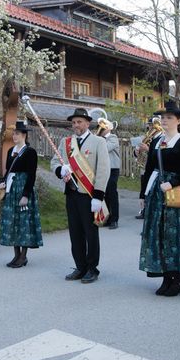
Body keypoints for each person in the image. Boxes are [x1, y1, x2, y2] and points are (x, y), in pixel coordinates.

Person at [139, 100, 180, 296]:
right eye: (162, 117)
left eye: (169, 118)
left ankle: (178, 279)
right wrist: (143, 194)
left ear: (178, 120)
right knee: (160, 234)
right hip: (158, 192)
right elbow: (149, 169)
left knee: (177, 235)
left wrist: (174, 182)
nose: (165, 120)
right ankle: (166, 277)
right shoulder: (157, 142)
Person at [51, 108, 110, 283]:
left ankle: (92, 268)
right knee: (75, 233)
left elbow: (103, 170)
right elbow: (55, 161)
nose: (76, 125)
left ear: (87, 123)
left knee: (90, 233)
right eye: (74, 122)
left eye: (80, 122)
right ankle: (80, 266)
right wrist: (60, 169)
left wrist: (98, 196)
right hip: (71, 193)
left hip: (90, 195)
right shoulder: (66, 142)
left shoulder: (98, 142)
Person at [0, 121, 42, 268]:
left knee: (23, 222)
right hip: (11, 188)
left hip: (23, 188)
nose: (14, 136)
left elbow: (31, 175)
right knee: (13, 221)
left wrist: (25, 195)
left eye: (17, 133)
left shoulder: (30, 152)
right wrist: (2, 181)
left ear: (24, 135)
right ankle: (16, 255)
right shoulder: (10, 151)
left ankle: (23, 256)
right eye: (13, 133)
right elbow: (8, 171)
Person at [135, 118, 163, 219]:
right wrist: (137, 152)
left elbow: (158, 152)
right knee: (143, 188)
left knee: (151, 190)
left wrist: (147, 149)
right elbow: (137, 150)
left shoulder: (161, 137)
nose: (151, 127)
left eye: (152, 125)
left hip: (154, 168)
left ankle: (150, 211)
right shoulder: (146, 136)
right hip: (145, 166)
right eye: (150, 125)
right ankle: (143, 210)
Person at [97, 117, 120, 229]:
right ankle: (107, 218)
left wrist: (96, 140)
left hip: (112, 168)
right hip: (102, 169)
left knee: (112, 193)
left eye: (102, 127)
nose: (100, 129)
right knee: (104, 193)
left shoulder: (113, 137)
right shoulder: (99, 139)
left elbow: (106, 148)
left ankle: (114, 219)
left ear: (108, 128)